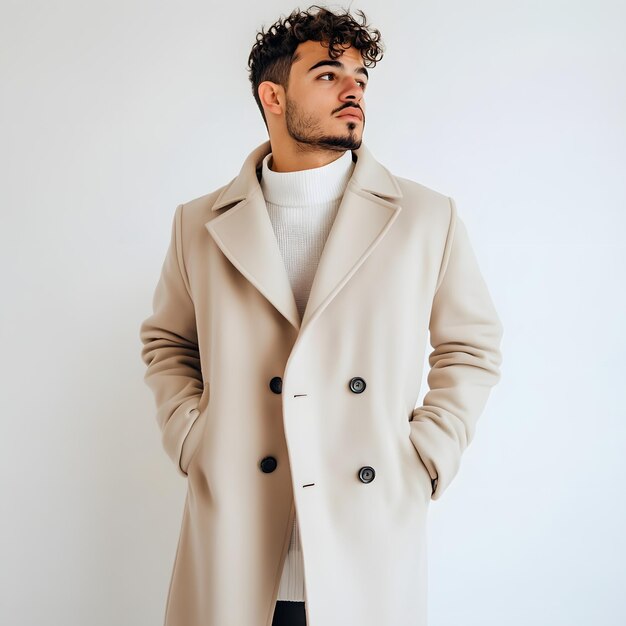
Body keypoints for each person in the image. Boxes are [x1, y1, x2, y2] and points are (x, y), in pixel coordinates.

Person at [139, 5, 503, 626]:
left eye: (360, 76)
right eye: (329, 74)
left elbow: (471, 348)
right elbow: (168, 342)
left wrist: (425, 456)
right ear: (273, 95)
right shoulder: (199, 224)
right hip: (237, 528)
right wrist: (191, 437)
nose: (354, 87)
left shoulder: (423, 217)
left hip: (365, 530)